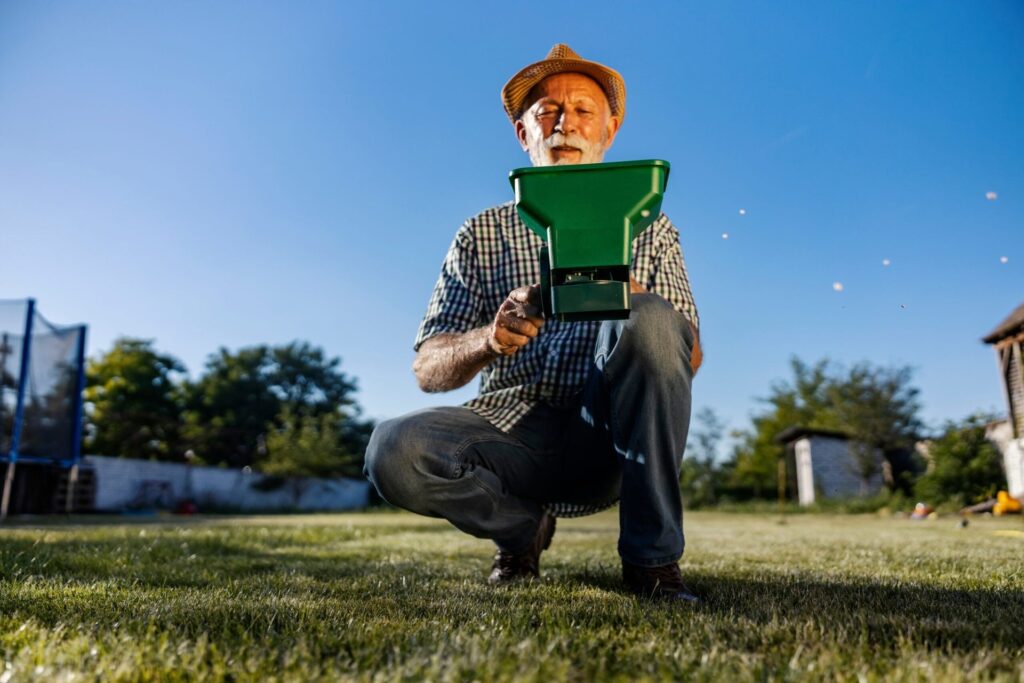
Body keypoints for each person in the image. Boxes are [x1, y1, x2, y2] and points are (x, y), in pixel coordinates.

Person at [364, 44, 703, 601]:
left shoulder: (653, 227)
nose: (565, 123)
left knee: (651, 318)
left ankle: (653, 564)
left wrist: (626, 291)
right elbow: (427, 368)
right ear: (525, 135)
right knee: (393, 450)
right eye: (546, 111)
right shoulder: (482, 232)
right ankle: (522, 530)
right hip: (509, 433)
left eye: (583, 110)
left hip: (609, 437)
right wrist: (490, 338)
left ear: (609, 131)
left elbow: (687, 357)